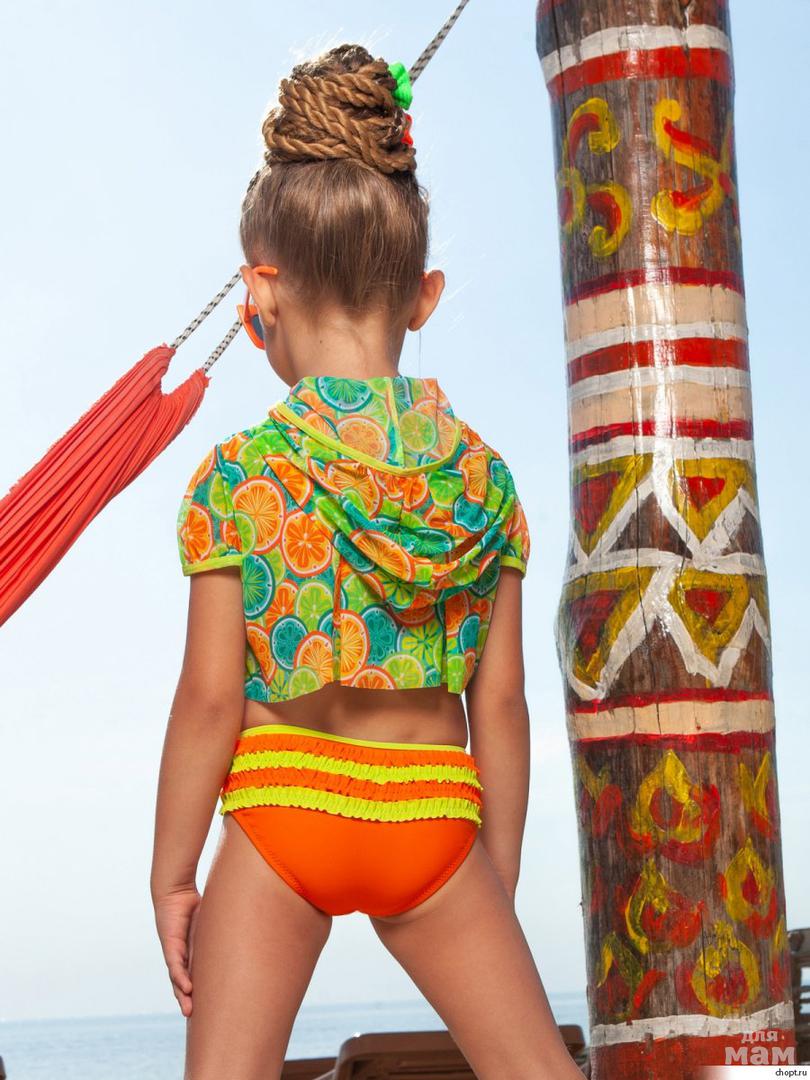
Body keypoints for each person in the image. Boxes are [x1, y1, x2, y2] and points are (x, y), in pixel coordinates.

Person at [150, 43, 584, 1080]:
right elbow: (504, 707)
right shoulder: (485, 481)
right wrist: (491, 876)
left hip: (285, 803)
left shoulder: (241, 474)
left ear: (260, 290)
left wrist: (173, 875)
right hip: (430, 813)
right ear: (424, 296)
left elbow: (209, 701)